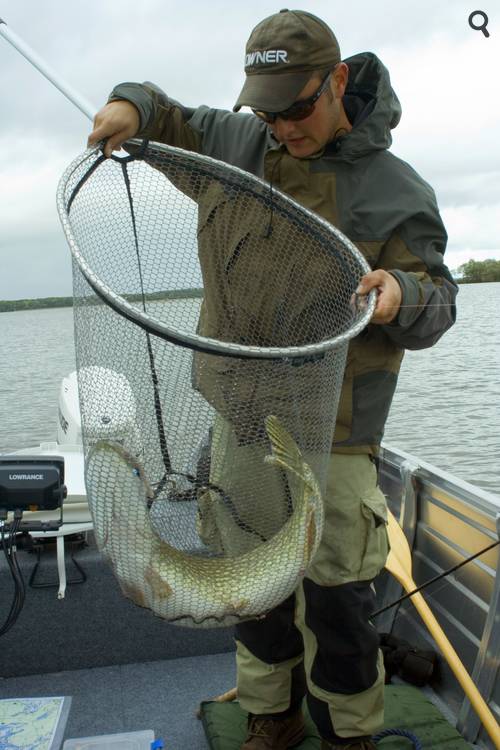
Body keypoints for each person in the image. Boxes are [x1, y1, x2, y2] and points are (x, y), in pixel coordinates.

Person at [88, 9, 457, 750]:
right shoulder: (234, 143)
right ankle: (270, 718)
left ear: (338, 80)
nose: (283, 127)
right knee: (248, 589)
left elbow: (438, 299)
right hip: (239, 419)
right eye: (267, 110)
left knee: (338, 604)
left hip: (337, 434)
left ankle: (347, 734)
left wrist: (402, 293)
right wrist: (129, 103)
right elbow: (166, 117)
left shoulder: (396, 188)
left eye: (298, 108)